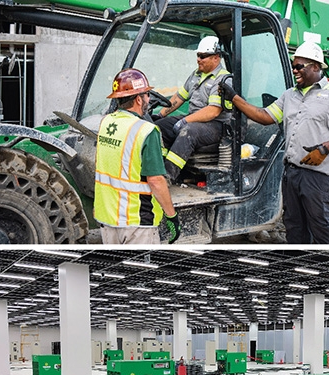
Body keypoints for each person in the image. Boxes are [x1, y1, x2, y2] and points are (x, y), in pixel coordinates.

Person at [219, 40, 329, 244]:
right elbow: (264, 115)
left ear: (316, 67)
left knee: (321, 227)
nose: (294, 70)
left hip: (319, 177)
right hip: (291, 173)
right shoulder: (289, 95)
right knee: (294, 227)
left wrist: (324, 149)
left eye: (299, 66)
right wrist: (235, 98)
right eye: (292, 65)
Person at [93, 68, 182, 244]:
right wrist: (171, 215)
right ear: (139, 99)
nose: (149, 99)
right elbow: (156, 181)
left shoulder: (105, 123)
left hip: (107, 219)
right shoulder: (146, 131)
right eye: (147, 95)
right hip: (136, 223)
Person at [155, 36, 234, 183]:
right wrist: (160, 114)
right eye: (198, 55)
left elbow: (213, 111)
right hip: (193, 118)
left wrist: (185, 120)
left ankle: (167, 177)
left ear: (216, 58)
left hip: (216, 125)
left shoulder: (223, 80)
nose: (198, 59)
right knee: (158, 127)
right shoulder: (196, 74)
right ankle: (156, 169)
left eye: (203, 56)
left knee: (188, 131)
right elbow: (179, 97)